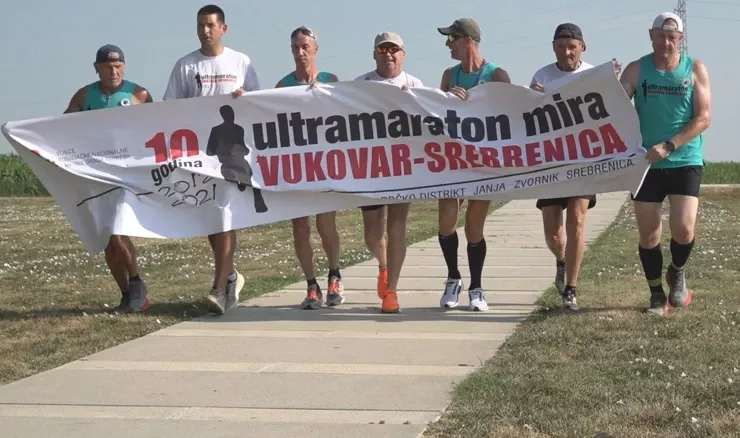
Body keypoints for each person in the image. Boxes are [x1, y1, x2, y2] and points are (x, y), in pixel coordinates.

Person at [163, 4, 261, 315]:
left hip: (232, 156)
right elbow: (169, 108)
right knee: (211, 219)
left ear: (223, 28)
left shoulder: (241, 61)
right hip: (200, 156)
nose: (205, 31)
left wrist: (246, 98)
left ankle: (219, 288)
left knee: (225, 216)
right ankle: (231, 276)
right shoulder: (185, 66)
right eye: (200, 26)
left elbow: (259, 104)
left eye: (210, 25)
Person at [619, 12, 711, 315]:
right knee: (649, 234)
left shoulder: (694, 68)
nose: (665, 42)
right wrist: (609, 83)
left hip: (684, 158)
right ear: (651, 35)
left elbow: (703, 118)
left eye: (672, 37)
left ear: (680, 39)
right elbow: (613, 107)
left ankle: (677, 270)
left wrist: (670, 145)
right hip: (645, 162)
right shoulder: (637, 69)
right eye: (660, 35)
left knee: (684, 229)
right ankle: (656, 293)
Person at [529, 23, 621, 312]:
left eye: (571, 47)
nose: (566, 52)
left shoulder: (594, 74)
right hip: (552, 162)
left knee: (577, 221)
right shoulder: (542, 75)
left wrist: (613, 82)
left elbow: (613, 109)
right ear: (553, 48)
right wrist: (532, 98)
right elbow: (528, 115)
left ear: (582, 47)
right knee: (554, 233)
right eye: (560, 47)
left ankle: (571, 288)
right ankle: (561, 260)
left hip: (583, 160)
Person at [64, 44, 153, 314]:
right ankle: (126, 294)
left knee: (118, 231)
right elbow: (64, 126)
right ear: (97, 69)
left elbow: (157, 127)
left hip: (127, 175)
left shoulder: (139, 94)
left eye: (118, 66)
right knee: (108, 239)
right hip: (96, 174)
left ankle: (136, 284)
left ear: (124, 67)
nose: (113, 72)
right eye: (107, 67)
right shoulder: (84, 95)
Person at [436, 18, 511, 312]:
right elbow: (437, 114)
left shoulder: (497, 75)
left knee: (473, 228)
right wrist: (449, 100)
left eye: (451, 39)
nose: (448, 45)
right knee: (446, 224)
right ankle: (453, 278)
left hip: (482, 162)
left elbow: (512, 114)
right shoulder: (449, 75)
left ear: (468, 40)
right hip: (453, 162)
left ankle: (476, 287)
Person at [354, 31, 424, 314]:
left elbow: (435, 116)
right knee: (372, 236)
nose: (389, 55)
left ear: (403, 54)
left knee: (397, 227)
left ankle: (391, 291)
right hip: (371, 167)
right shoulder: (360, 85)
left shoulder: (415, 84)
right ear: (375, 55)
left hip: (403, 167)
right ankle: (383, 267)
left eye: (394, 49)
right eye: (383, 50)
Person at [275, 26, 344, 310]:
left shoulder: (331, 80)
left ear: (316, 48)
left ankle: (335, 275)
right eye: (295, 47)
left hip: (324, 163)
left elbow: (344, 118)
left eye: (305, 46)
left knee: (326, 224)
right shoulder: (282, 86)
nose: (300, 52)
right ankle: (311, 285)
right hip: (297, 165)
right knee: (300, 227)